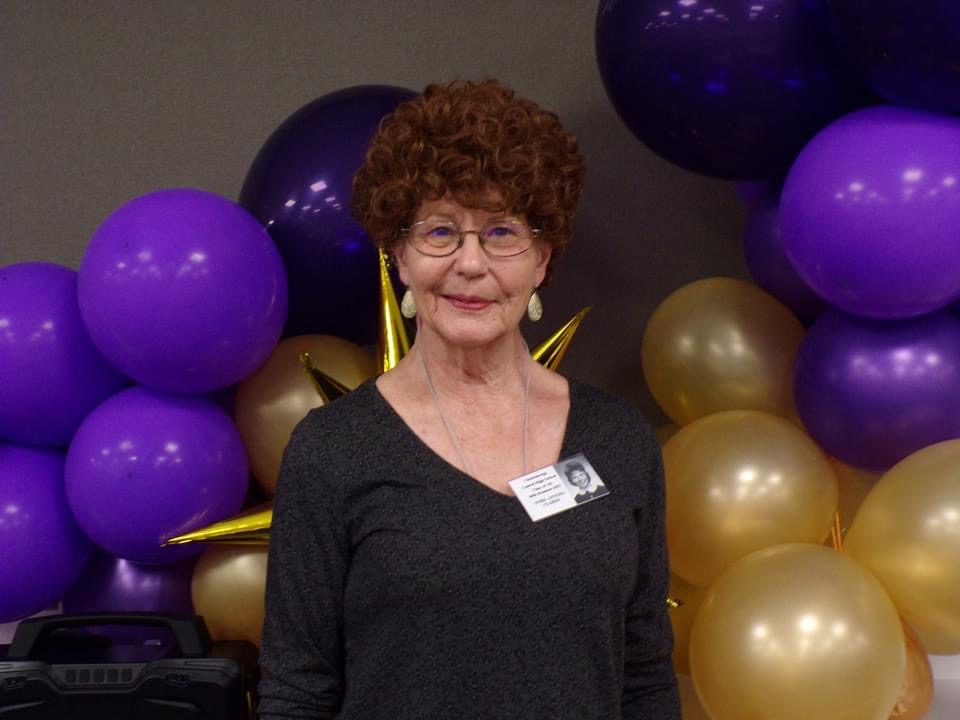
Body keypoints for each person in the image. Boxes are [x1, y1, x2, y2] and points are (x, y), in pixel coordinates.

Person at [257, 80, 680, 720]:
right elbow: (297, 692)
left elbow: (644, 678)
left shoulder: (617, 441)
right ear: (400, 256)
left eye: (502, 231)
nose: (471, 264)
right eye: (440, 231)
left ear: (542, 259)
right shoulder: (333, 451)